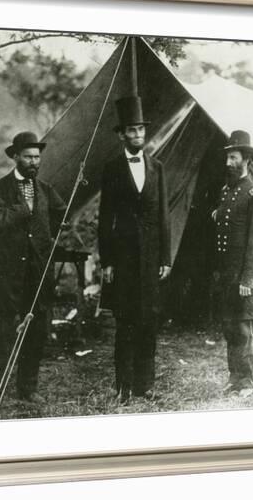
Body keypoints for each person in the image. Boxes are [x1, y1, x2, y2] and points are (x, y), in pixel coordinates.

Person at [0, 131, 66, 416]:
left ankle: (27, 389)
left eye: (37, 157)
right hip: (7, 277)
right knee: (2, 335)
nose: (34, 161)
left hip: (38, 275)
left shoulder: (44, 188)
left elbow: (60, 214)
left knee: (37, 332)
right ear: (15, 157)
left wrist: (51, 237)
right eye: (28, 156)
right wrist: (21, 210)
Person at [98, 95, 172, 404]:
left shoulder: (157, 168)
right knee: (126, 323)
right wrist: (107, 261)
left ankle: (146, 385)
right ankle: (123, 387)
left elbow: (164, 215)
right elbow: (105, 217)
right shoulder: (112, 169)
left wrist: (166, 257)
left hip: (152, 259)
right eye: (132, 130)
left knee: (148, 323)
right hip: (124, 259)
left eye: (141, 130)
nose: (138, 135)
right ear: (121, 134)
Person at [212, 130, 253, 399]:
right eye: (227, 158)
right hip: (226, 275)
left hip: (244, 277)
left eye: (233, 157)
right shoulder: (227, 192)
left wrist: (248, 279)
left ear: (246, 159)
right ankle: (235, 379)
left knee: (245, 330)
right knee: (230, 328)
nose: (228, 163)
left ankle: (249, 383)